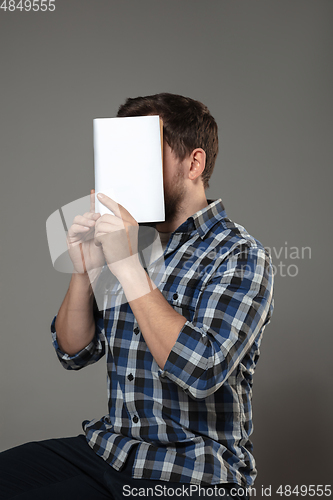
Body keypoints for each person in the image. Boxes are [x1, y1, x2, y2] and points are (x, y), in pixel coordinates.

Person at [0, 93, 274, 499]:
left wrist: (128, 266)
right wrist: (85, 268)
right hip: (111, 450)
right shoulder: (130, 239)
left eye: (143, 152)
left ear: (193, 163)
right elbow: (72, 351)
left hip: (193, 472)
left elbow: (200, 370)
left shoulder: (241, 256)